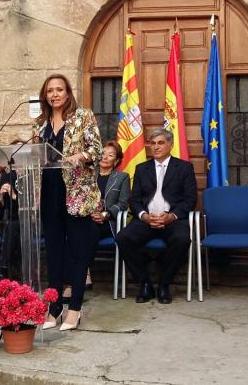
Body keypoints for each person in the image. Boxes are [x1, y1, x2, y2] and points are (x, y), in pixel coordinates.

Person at [32, 74, 102, 331]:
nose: (55, 94)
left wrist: (79, 155)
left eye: (59, 89)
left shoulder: (83, 116)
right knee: (53, 250)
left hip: (76, 191)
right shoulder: (40, 124)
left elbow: (97, 149)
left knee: (77, 250)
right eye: (50, 90)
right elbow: (36, 155)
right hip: (49, 189)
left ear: (68, 93)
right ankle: (54, 306)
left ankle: (75, 307)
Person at [116, 128, 197, 305]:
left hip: (173, 221)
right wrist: (144, 216)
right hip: (146, 220)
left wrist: (172, 216)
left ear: (171, 145)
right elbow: (135, 200)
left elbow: (190, 200)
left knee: (183, 240)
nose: (156, 147)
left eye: (161, 143)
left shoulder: (184, 168)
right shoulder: (142, 168)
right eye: (153, 143)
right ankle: (145, 283)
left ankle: (164, 284)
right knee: (123, 238)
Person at [83, 141, 130, 291]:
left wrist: (105, 214)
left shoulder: (122, 177)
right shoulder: (87, 174)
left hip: (109, 222)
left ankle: (82, 272)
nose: (105, 157)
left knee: (90, 229)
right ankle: (85, 273)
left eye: (110, 155)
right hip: (87, 217)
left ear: (116, 161)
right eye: (103, 153)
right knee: (82, 229)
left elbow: (123, 204)